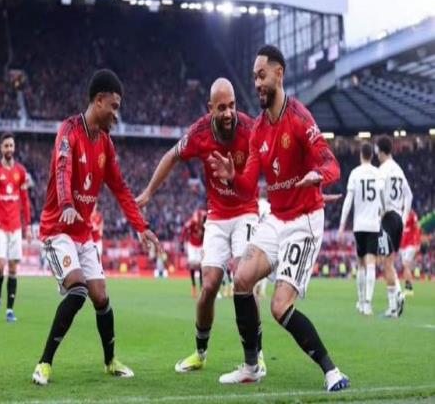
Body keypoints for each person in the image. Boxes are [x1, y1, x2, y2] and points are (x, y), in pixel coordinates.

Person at [209, 45, 349, 391]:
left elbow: (331, 164)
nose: (257, 83)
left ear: (279, 74)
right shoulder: (258, 130)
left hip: (304, 220)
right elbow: (247, 186)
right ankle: (251, 366)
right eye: (254, 77)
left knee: (279, 306)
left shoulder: (299, 118)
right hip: (276, 218)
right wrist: (232, 176)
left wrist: (318, 175)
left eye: (262, 75)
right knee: (242, 278)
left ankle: (332, 371)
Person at [32, 69, 161, 386]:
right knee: (78, 290)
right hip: (57, 229)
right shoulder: (69, 131)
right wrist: (66, 204)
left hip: (83, 233)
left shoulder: (106, 144)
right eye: (114, 106)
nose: (116, 114)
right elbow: (62, 168)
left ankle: (110, 361)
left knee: (100, 296)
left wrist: (141, 226)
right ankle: (44, 363)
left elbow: (121, 189)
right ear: (99, 100)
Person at [136, 78, 265, 375]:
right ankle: (200, 352)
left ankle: (256, 354)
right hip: (216, 216)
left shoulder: (250, 129)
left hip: (246, 211)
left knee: (243, 279)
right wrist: (149, 192)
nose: (229, 113)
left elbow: (274, 159)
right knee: (208, 286)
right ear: (210, 108)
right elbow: (171, 156)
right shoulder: (200, 132)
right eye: (222, 108)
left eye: (232, 106)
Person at [0, 132, 32, 322]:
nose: (9, 149)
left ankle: (9, 311)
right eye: (6, 146)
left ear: (14, 147)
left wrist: (28, 226)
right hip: (1, 226)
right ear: (1, 148)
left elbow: (25, 200)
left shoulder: (20, 171)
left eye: (11, 145)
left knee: (13, 269)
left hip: (16, 226)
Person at [338, 142, 383, 316]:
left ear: (361, 155)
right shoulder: (378, 173)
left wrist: (342, 225)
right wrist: (383, 216)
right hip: (373, 224)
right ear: (371, 156)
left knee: (361, 264)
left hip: (359, 225)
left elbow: (348, 201)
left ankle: (361, 300)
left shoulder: (355, 173)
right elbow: (382, 199)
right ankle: (368, 304)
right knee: (371, 263)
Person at [376, 135, 413, 317]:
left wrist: (383, 210)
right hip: (398, 218)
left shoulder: (383, 168)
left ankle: (395, 302)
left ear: (380, 151)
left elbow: (380, 189)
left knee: (387, 263)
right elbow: (409, 195)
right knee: (388, 262)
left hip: (388, 218)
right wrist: (404, 218)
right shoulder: (398, 169)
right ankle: (395, 302)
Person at [180, 209, 207, 298]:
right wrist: (181, 240)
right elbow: (185, 228)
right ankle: (194, 286)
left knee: (200, 266)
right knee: (192, 264)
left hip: (200, 246)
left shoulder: (206, 224)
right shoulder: (192, 222)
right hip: (191, 245)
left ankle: (201, 287)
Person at [399, 209, 421, 295]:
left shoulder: (412, 214)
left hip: (411, 243)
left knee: (406, 264)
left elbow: (417, 228)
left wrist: (418, 243)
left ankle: (409, 288)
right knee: (405, 266)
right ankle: (407, 287)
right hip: (402, 244)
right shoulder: (400, 213)